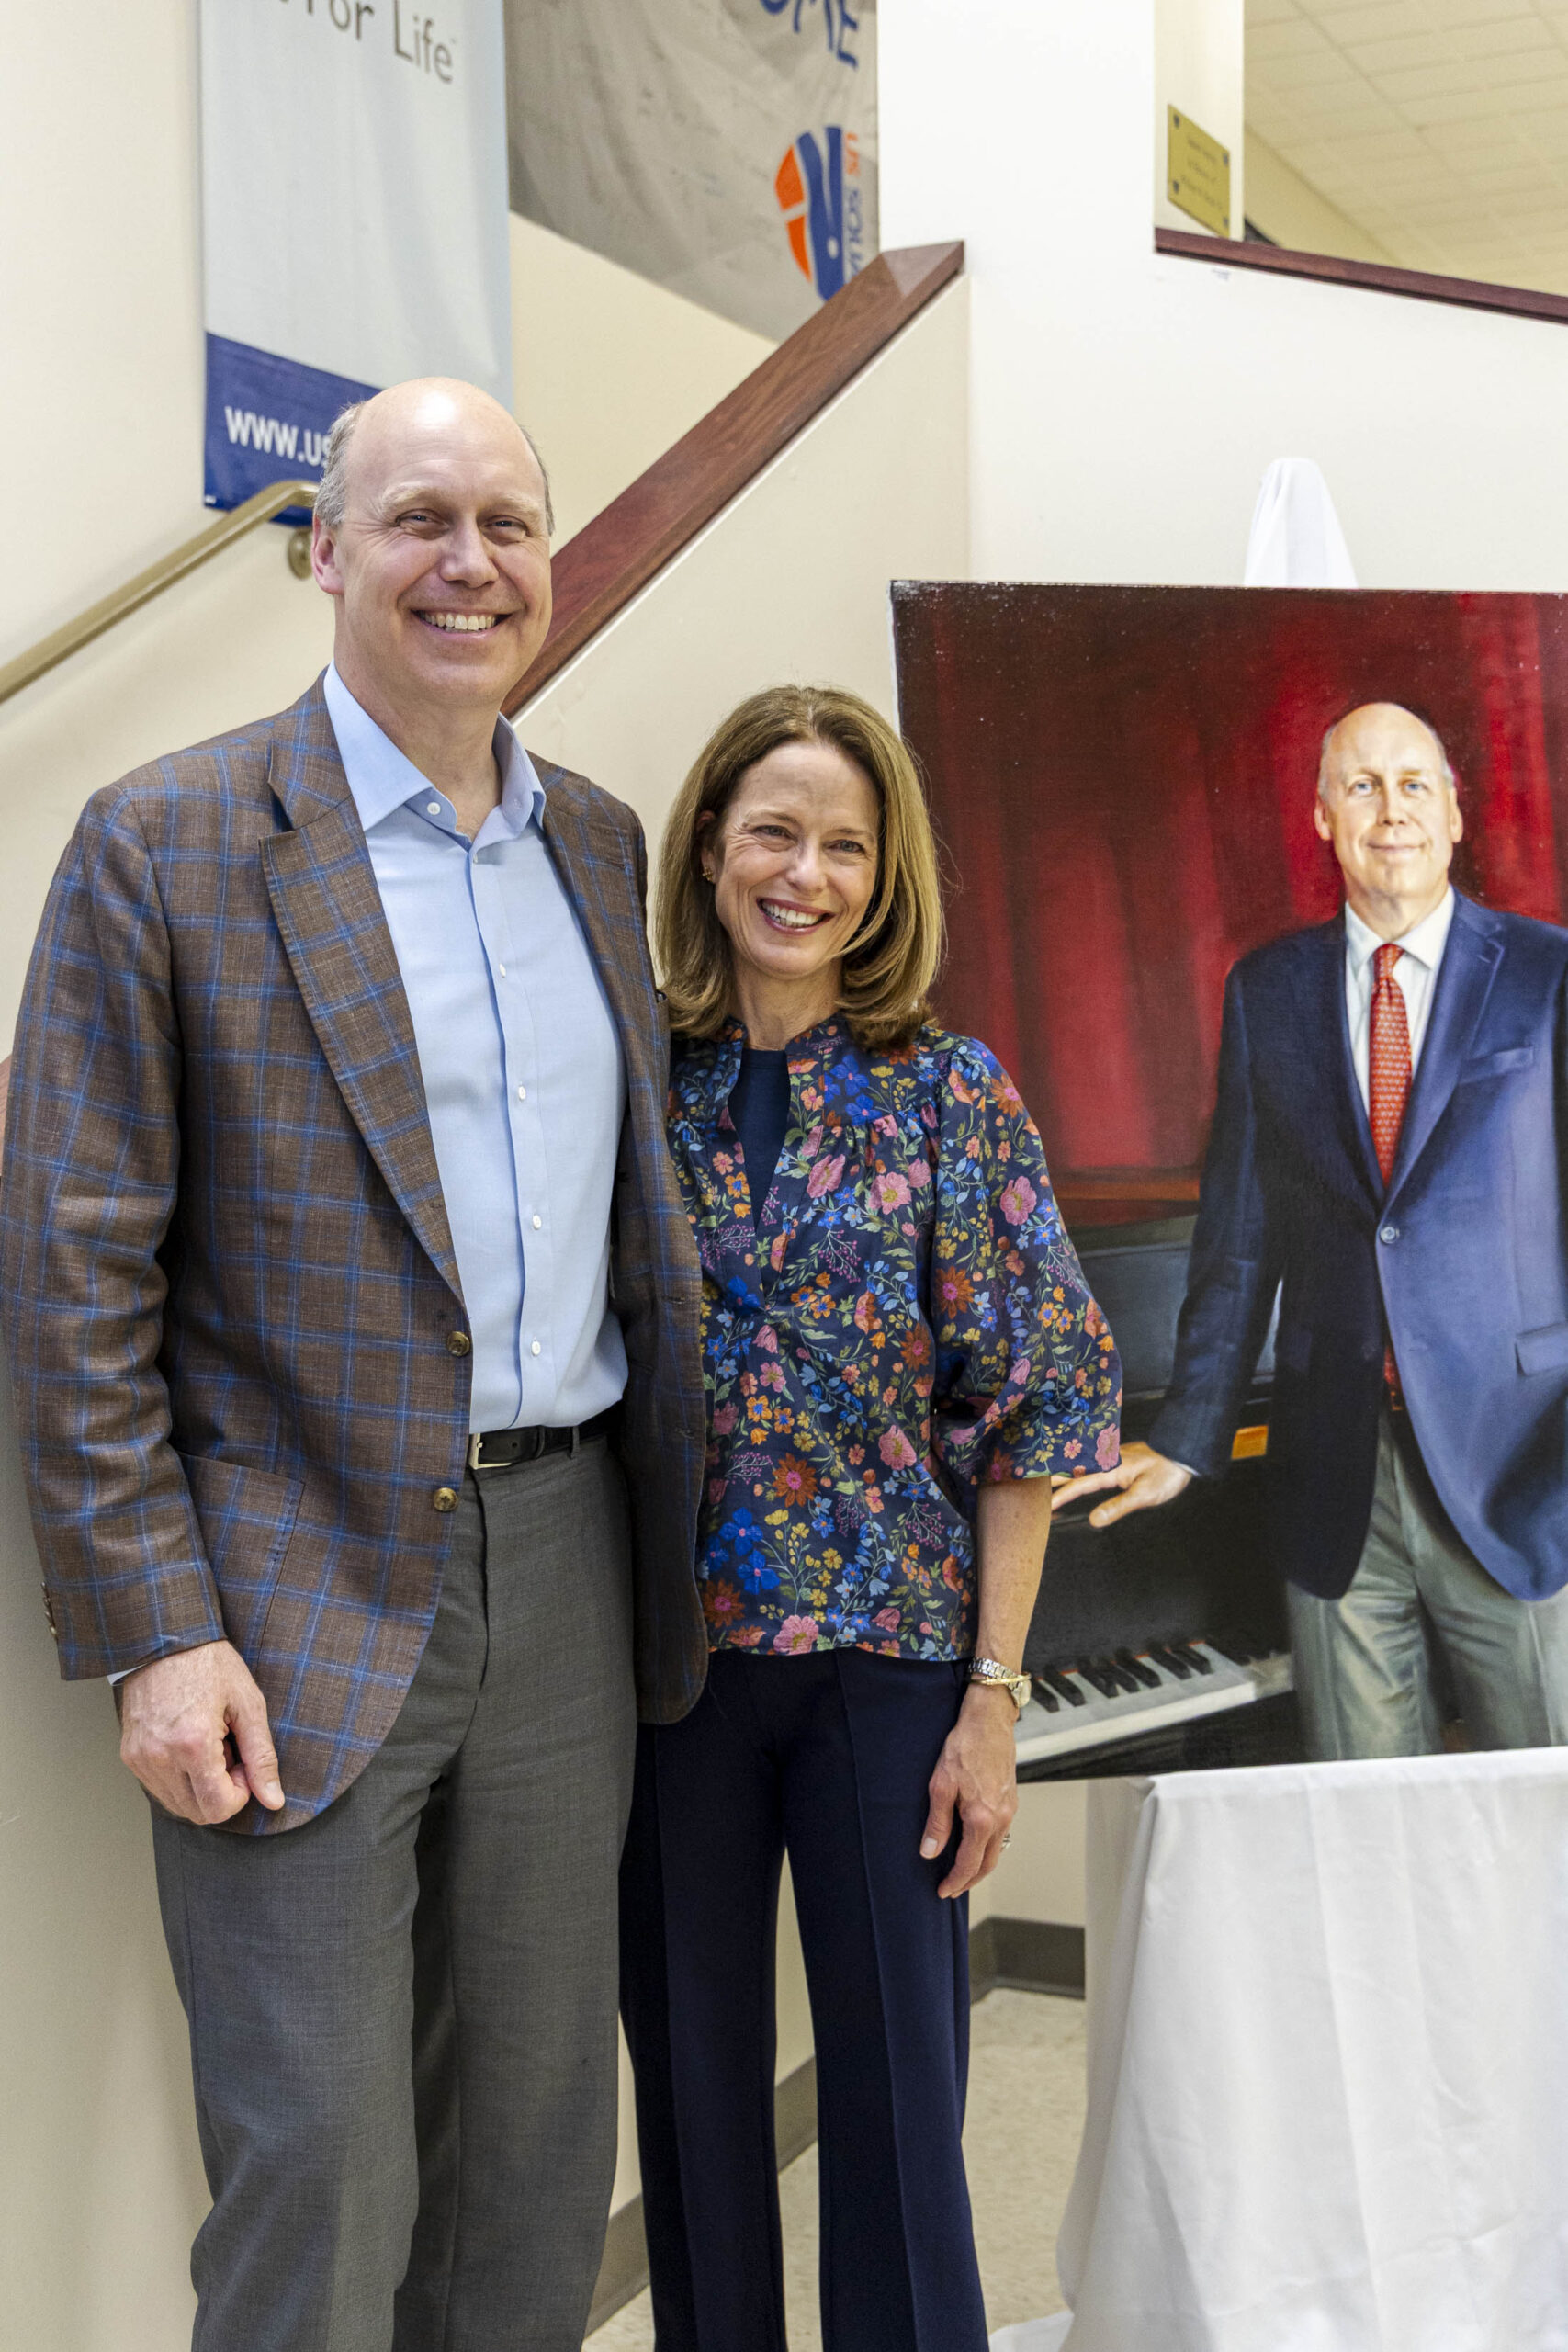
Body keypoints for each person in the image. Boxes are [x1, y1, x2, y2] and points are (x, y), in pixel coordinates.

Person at [0, 379, 705, 2351]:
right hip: (286, 1592)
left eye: (507, 523)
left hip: (566, 1565)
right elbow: (68, 1273)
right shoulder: (166, 843)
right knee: (320, 2163)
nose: (468, 563)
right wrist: (156, 1630)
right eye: (416, 519)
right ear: (323, 553)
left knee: (536, 2153)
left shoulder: (596, 843)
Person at [619, 685, 1121, 2351]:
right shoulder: (632, 1081)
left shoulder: (948, 1093)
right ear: (709, 846)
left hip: (891, 1674)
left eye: (844, 845)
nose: (804, 874)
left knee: (900, 2112)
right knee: (694, 2103)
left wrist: (993, 1702)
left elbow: (1033, 1408)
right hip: (669, 1679)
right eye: (773, 831)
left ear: (882, 875)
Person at [1058, 700, 1568, 1758]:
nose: (1392, 810)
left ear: (1455, 814)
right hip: (1336, 1484)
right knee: (1362, 1824)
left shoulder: (1547, 973)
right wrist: (1188, 1438)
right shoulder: (1268, 990)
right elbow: (1237, 1242)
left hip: (1522, 1478)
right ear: (1324, 818)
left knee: (1545, 1823)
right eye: (1362, 786)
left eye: (1415, 784)